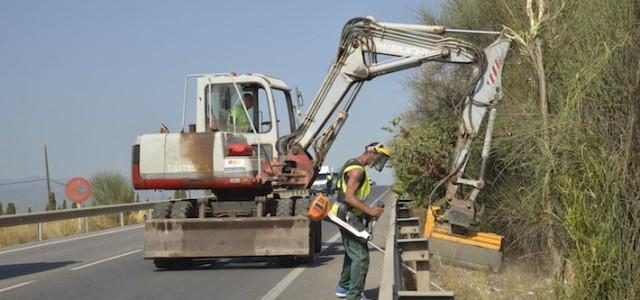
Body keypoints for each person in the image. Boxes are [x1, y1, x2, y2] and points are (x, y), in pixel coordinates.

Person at [332, 142, 392, 300]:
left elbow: (353, 197)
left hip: (345, 213)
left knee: (352, 252)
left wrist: (365, 214)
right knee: (361, 256)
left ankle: (344, 287)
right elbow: (349, 197)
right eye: (379, 158)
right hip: (346, 214)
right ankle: (355, 296)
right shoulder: (357, 170)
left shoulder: (355, 165)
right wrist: (371, 211)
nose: (379, 163)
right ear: (371, 152)